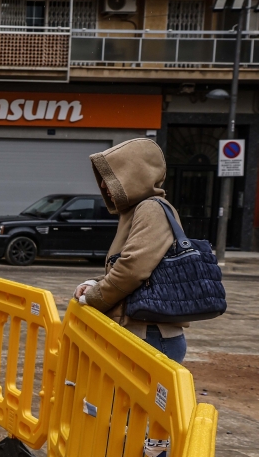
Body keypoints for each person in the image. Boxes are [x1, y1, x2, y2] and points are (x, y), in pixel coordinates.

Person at [73, 138, 189, 363]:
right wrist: (95, 282)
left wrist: (95, 297)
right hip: (142, 333)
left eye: (111, 178)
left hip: (149, 336)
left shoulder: (150, 209)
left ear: (134, 176)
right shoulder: (136, 210)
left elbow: (133, 269)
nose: (104, 186)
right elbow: (134, 266)